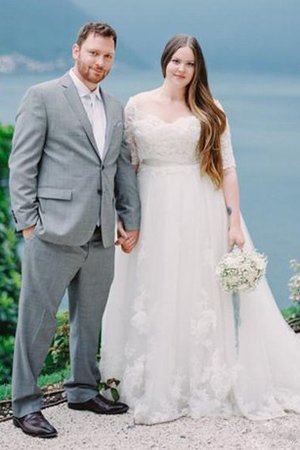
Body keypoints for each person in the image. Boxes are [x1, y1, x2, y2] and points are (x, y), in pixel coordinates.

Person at [100, 34, 300, 425]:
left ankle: (198, 379)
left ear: (198, 69)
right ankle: (150, 377)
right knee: (153, 286)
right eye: (176, 61)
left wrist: (235, 220)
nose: (181, 69)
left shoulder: (210, 109)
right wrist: (122, 214)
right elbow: (129, 167)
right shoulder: (137, 105)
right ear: (165, 62)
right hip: (152, 207)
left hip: (199, 207)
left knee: (197, 290)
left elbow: (228, 167)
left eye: (189, 64)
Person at [9, 22, 140, 438]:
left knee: (89, 319)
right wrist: (29, 223)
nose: (100, 63)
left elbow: (120, 167)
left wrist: (130, 219)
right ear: (76, 51)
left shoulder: (115, 107)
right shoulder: (43, 97)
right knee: (38, 319)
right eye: (93, 53)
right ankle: (25, 404)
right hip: (53, 232)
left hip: (102, 233)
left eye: (108, 56)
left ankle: (83, 389)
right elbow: (22, 164)